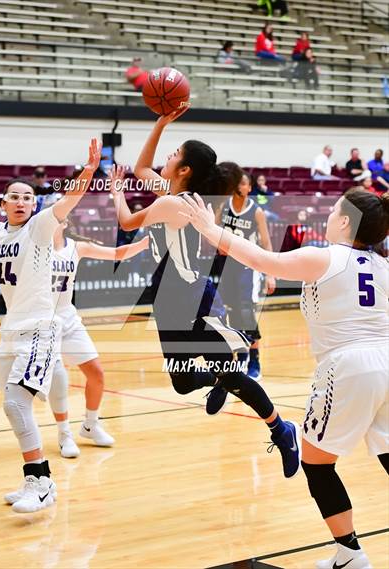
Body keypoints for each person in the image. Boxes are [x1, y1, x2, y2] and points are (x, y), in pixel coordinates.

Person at [181, 188, 388, 569]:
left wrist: (210, 228)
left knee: (318, 463)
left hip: (347, 365)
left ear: (345, 221)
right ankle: (348, 555)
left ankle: (350, 553)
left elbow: (262, 259)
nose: (328, 216)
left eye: (333, 211)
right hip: (387, 359)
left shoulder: (324, 257)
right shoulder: (383, 265)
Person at [109, 108, 302, 479]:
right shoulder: (178, 195)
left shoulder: (173, 202)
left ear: (184, 169)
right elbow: (141, 168)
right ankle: (217, 379)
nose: (168, 155)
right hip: (169, 304)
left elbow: (126, 221)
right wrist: (162, 122)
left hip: (194, 300)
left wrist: (117, 193)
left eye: (175, 152)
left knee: (230, 374)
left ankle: (281, 430)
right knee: (182, 383)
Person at [0, 138, 102, 513]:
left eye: (28, 197)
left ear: (34, 204)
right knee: (14, 405)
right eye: (15, 196)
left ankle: (40, 481)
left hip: (42, 329)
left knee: (15, 404)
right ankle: (38, 479)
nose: (22, 201)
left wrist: (88, 172)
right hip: (14, 331)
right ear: (3, 203)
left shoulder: (41, 227)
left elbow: (68, 201)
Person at [0, 219, 149, 461]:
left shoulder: (76, 247)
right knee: (58, 377)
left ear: (64, 223)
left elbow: (117, 253)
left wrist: (145, 244)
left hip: (68, 318)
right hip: (40, 321)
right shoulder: (31, 244)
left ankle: (90, 425)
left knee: (96, 373)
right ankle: (64, 434)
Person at [214, 163, 276, 381]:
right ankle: (241, 355)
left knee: (246, 311)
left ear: (249, 188)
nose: (238, 185)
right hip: (228, 265)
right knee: (231, 312)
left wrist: (270, 273)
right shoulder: (225, 206)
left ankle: (254, 357)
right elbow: (213, 231)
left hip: (248, 266)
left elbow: (267, 243)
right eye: (237, 181)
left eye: (242, 182)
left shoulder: (256, 211)